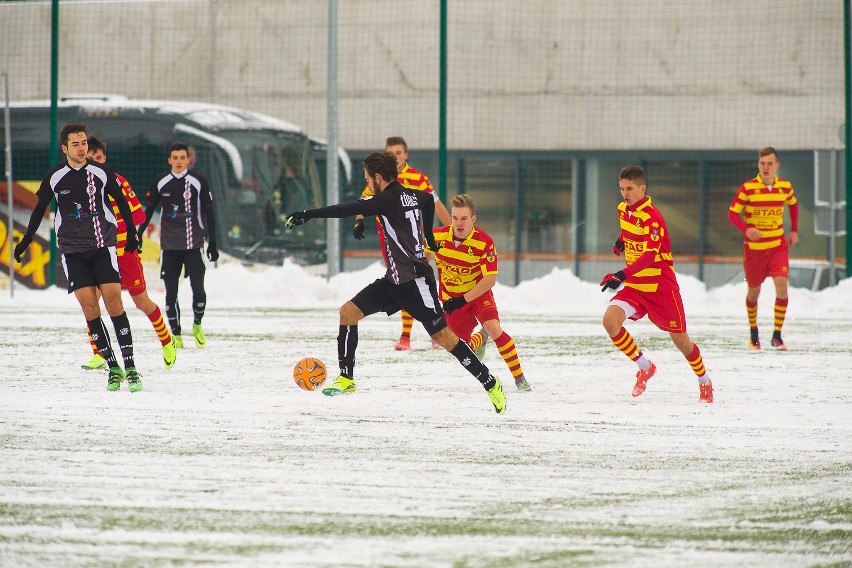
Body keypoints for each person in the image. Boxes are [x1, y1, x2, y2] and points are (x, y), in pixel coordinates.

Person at [285, 151, 506, 413]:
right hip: (393, 280)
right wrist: (429, 238)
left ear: (378, 177)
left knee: (445, 338)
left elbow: (349, 208)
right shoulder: (413, 194)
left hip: (417, 282)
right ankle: (346, 378)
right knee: (348, 312)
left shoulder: (385, 200)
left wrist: (308, 214)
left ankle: (490, 382)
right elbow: (427, 202)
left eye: (368, 179)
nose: (367, 183)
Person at [14, 123, 144, 392]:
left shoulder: (100, 172)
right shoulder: (55, 176)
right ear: (65, 148)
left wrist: (131, 233)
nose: (82, 148)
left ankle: (130, 366)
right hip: (73, 251)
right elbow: (39, 210)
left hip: (102, 245)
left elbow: (120, 202)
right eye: (76, 144)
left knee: (113, 301)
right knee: (89, 309)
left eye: (84, 143)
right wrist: (26, 240)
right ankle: (113, 368)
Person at [600, 165, 713, 403]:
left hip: (661, 288)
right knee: (610, 321)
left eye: (630, 189)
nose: (625, 193)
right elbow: (630, 232)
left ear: (643, 189)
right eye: (621, 189)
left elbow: (650, 256)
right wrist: (621, 242)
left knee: (682, 341)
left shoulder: (653, 217)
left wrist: (622, 274)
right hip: (636, 287)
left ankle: (704, 381)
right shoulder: (623, 209)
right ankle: (645, 367)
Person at [79, 137, 177, 371]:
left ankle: (166, 339)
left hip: (124, 252)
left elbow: (137, 217)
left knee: (140, 300)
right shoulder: (80, 187)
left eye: (100, 157)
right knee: (91, 301)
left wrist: (130, 239)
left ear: (105, 158)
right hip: (100, 253)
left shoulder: (119, 183)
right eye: (91, 158)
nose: (96, 162)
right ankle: (99, 353)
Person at [352, 136, 453, 352]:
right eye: (391, 154)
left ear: (405, 155)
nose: (395, 157)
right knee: (405, 283)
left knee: (413, 280)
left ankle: (430, 331)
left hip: (417, 240)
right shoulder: (380, 180)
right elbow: (364, 200)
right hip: (392, 241)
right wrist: (359, 219)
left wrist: (451, 230)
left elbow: (435, 203)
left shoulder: (418, 178)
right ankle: (417, 334)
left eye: (398, 153)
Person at [432, 194, 531, 392]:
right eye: (455, 218)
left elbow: (490, 279)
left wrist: (464, 299)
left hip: (477, 294)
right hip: (452, 300)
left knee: (495, 329)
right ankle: (480, 339)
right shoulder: (436, 237)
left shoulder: (484, 242)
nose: (459, 223)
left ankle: (520, 379)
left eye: (464, 219)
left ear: (473, 219)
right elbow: (417, 255)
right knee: (454, 344)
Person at [137, 142, 218, 350]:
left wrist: (213, 243)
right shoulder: (161, 182)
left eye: (183, 157)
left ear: (188, 160)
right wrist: (138, 233)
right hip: (169, 248)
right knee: (170, 294)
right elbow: (148, 210)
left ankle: (197, 325)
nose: (179, 161)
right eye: (176, 158)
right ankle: (177, 335)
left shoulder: (199, 182)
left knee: (198, 290)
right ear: (169, 160)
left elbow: (209, 212)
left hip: (194, 246)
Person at [728, 146, 798, 351]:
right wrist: (746, 228)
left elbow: (793, 205)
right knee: (753, 293)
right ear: (758, 165)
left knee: (782, 286)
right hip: (754, 250)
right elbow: (732, 214)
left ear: (777, 166)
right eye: (762, 163)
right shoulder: (748, 188)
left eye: (769, 164)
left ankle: (777, 335)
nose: (765, 167)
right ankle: (754, 333)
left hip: (777, 246)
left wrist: (793, 230)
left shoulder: (785, 186)